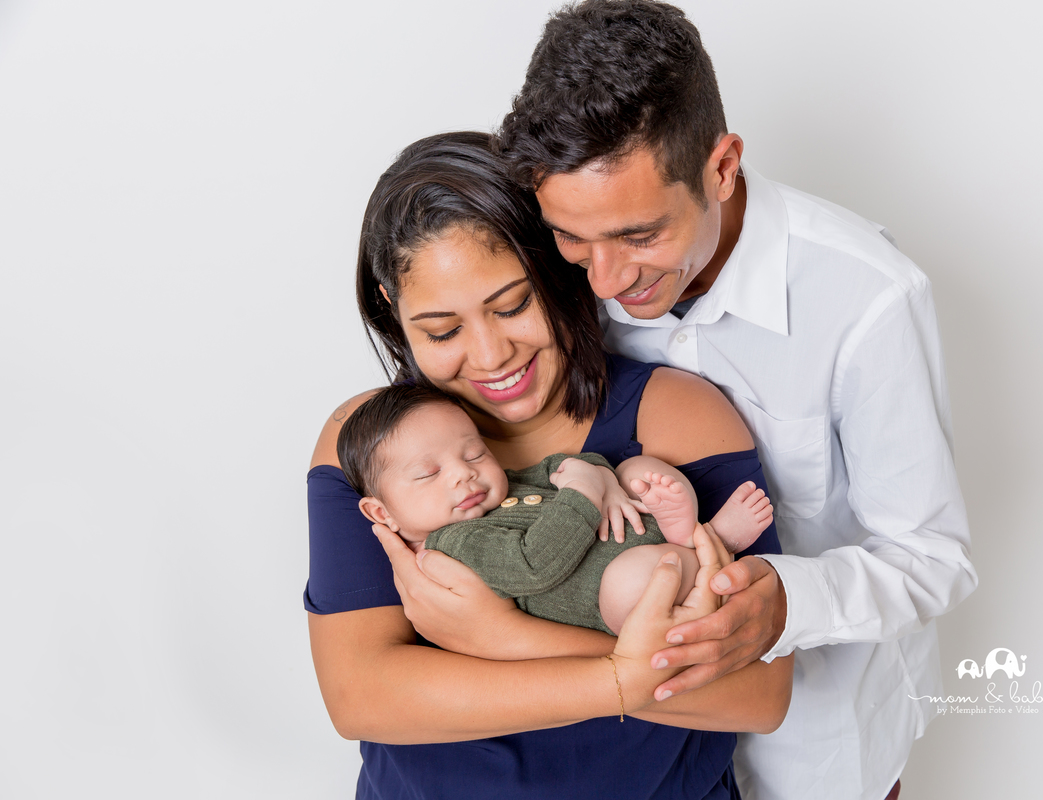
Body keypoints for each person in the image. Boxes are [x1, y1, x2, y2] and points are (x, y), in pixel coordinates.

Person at [495, 2, 979, 799]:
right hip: (634, 750)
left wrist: (787, 601)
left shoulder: (869, 298)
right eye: (575, 240)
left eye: (640, 236)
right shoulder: (557, 278)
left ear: (721, 167)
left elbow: (933, 559)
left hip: (816, 753)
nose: (605, 282)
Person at [306, 130, 794, 799]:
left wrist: (506, 636)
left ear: (561, 268)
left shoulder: (673, 416)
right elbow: (362, 697)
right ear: (394, 306)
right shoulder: (374, 446)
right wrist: (622, 675)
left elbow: (757, 695)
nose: (490, 356)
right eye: (442, 330)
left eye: (512, 306)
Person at [336, 382, 774, 635]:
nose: (463, 474)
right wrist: (584, 491)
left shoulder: (506, 486)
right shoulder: (452, 546)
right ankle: (714, 542)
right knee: (631, 582)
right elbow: (533, 567)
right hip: (609, 588)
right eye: (428, 473)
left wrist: (601, 478)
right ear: (381, 513)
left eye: (473, 454)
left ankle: (685, 530)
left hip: (632, 520)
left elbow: (561, 466)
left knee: (636, 470)